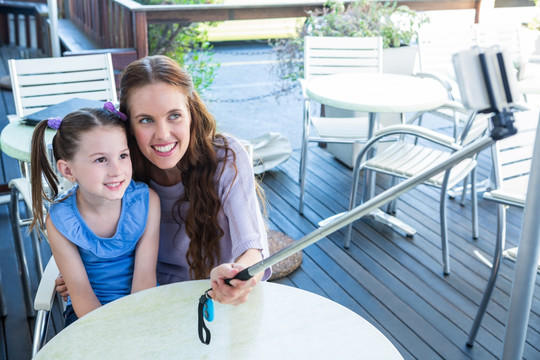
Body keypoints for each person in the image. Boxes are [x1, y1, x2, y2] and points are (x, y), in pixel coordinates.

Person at [57, 55, 271, 306]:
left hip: (217, 298)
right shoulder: (121, 172)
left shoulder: (226, 158)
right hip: (149, 300)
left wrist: (237, 276)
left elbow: (252, 249)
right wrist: (80, 271)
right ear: (128, 125)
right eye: (146, 120)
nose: (163, 134)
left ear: (191, 114)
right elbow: (95, 234)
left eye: (174, 116)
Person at [31, 105, 160, 326]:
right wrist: (111, 334)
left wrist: (137, 329)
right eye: (101, 159)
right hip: (89, 316)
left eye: (122, 155)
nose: (117, 170)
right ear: (68, 171)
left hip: (144, 307)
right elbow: (80, 295)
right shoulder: (60, 221)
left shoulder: (146, 202)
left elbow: (145, 278)